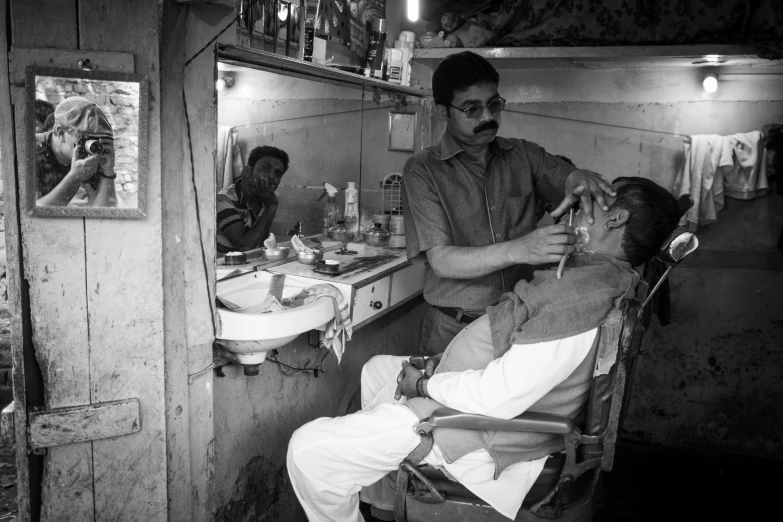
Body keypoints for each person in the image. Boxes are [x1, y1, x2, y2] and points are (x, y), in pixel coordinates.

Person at [287, 177, 682, 522]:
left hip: (475, 432)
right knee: (376, 368)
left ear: (615, 219)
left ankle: (402, 452)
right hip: (477, 400)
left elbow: (497, 397)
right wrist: (440, 366)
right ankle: (391, 502)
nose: (578, 208)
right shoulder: (594, 280)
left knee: (308, 452)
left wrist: (425, 386)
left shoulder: (579, 300)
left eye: (592, 201)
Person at [402, 51, 616, 356]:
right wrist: (521, 249)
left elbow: (566, 178)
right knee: (439, 401)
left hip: (519, 324)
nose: (488, 117)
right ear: (442, 112)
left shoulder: (524, 155)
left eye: (494, 104)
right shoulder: (423, 170)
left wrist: (577, 177)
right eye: (472, 109)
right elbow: (442, 260)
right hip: (454, 326)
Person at [35, 96, 117, 207]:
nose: (91, 147)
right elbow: (30, 214)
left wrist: (108, 171)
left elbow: (102, 216)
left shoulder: (93, 151)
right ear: (61, 133)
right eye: (85, 139)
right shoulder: (32, 149)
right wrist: (75, 178)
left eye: (97, 140)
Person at [217, 145, 289, 253]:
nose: (271, 176)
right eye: (265, 168)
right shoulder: (224, 200)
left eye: (277, 174)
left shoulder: (265, 200)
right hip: (223, 267)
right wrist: (271, 207)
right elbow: (245, 246)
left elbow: (262, 243)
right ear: (247, 171)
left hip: (249, 265)